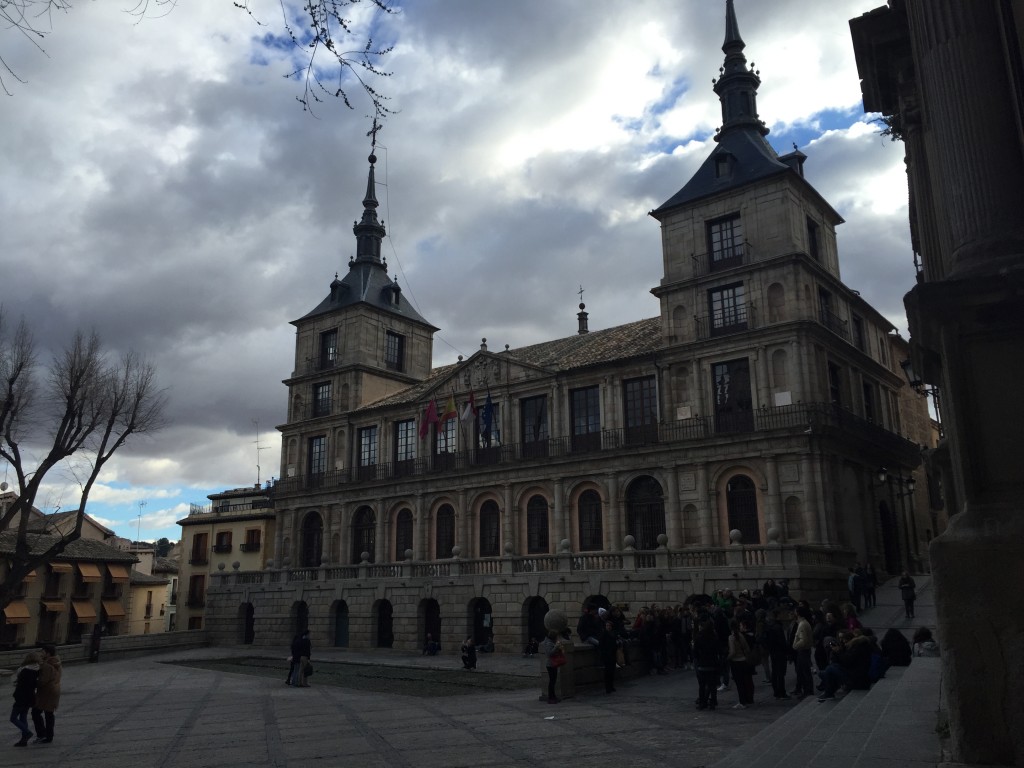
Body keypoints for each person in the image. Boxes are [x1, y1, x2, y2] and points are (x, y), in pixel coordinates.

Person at [30, 644, 61, 744]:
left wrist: (33, 682)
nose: (41, 653)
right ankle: (48, 735)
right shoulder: (55, 662)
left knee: (36, 712)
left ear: (48, 653)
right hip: (53, 691)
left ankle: (44, 735)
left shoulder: (48, 665)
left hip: (47, 692)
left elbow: (43, 681)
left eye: (42, 652)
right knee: (48, 713)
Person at [10, 652, 40, 748]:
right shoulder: (37, 669)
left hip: (21, 697)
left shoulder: (24, 670)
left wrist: (16, 695)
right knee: (23, 717)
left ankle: (27, 732)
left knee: (13, 718)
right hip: (30, 697)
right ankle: (23, 740)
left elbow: (20, 685)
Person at [692, 615, 720, 710]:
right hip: (712, 664)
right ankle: (713, 702)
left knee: (702, 685)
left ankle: (703, 703)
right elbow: (717, 651)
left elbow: (695, 652)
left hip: (702, 664)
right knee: (712, 685)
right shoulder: (714, 637)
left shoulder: (699, 637)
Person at [727, 619, 756, 709]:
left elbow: (732, 651)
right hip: (743, 660)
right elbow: (747, 648)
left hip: (736, 662)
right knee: (745, 681)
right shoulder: (741, 636)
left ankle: (742, 701)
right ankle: (747, 699)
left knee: (739, 683)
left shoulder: (731, 637)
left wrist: (728, 658)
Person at [790, 606, 814, 697]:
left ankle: (808, 691)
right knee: (801, 671)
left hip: (803, 650)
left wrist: (795, 646)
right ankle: (806, 690)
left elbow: (803, 640)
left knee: (805, 671)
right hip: (803, 650)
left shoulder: (803, 624)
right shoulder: (802, 623)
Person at [539, 631, 562, 703]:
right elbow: (549, 653)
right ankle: (551, 698)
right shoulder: (549, 643)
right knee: (552, 681)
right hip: (550, 664)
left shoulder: (549, 642)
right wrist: (556, 647)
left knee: (553, 681)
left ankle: (553, 696)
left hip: (551, 664)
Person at [598, 620, 618, 693]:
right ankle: (608, 687)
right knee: (607, 672)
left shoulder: (613, 633)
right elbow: (601, 645)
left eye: (609, 626)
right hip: (606, 655)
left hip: (612, 654)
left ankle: (611, 686)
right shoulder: (603, 634)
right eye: (607, 626)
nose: (608, 627)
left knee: (612, 671)